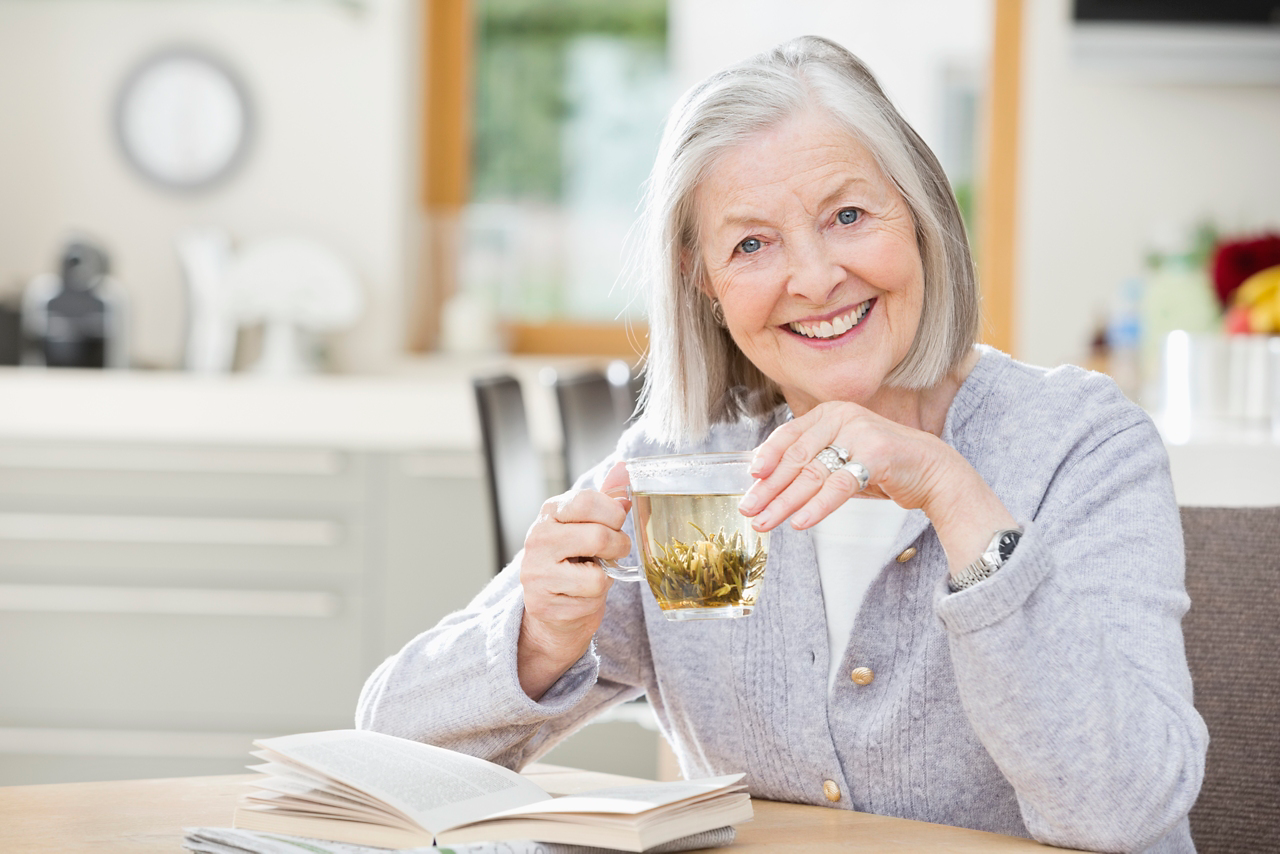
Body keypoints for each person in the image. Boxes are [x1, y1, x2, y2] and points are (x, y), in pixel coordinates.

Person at [358, 36, 1206, 853]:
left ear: (919, 216)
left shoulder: (1077, 446)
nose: (814, 278)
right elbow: (387, 745)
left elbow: (1125, 811)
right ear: (704, 280)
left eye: (847, 215)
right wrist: (539, 638)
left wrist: (952, 492)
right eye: (752, 244)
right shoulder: (687, 468)